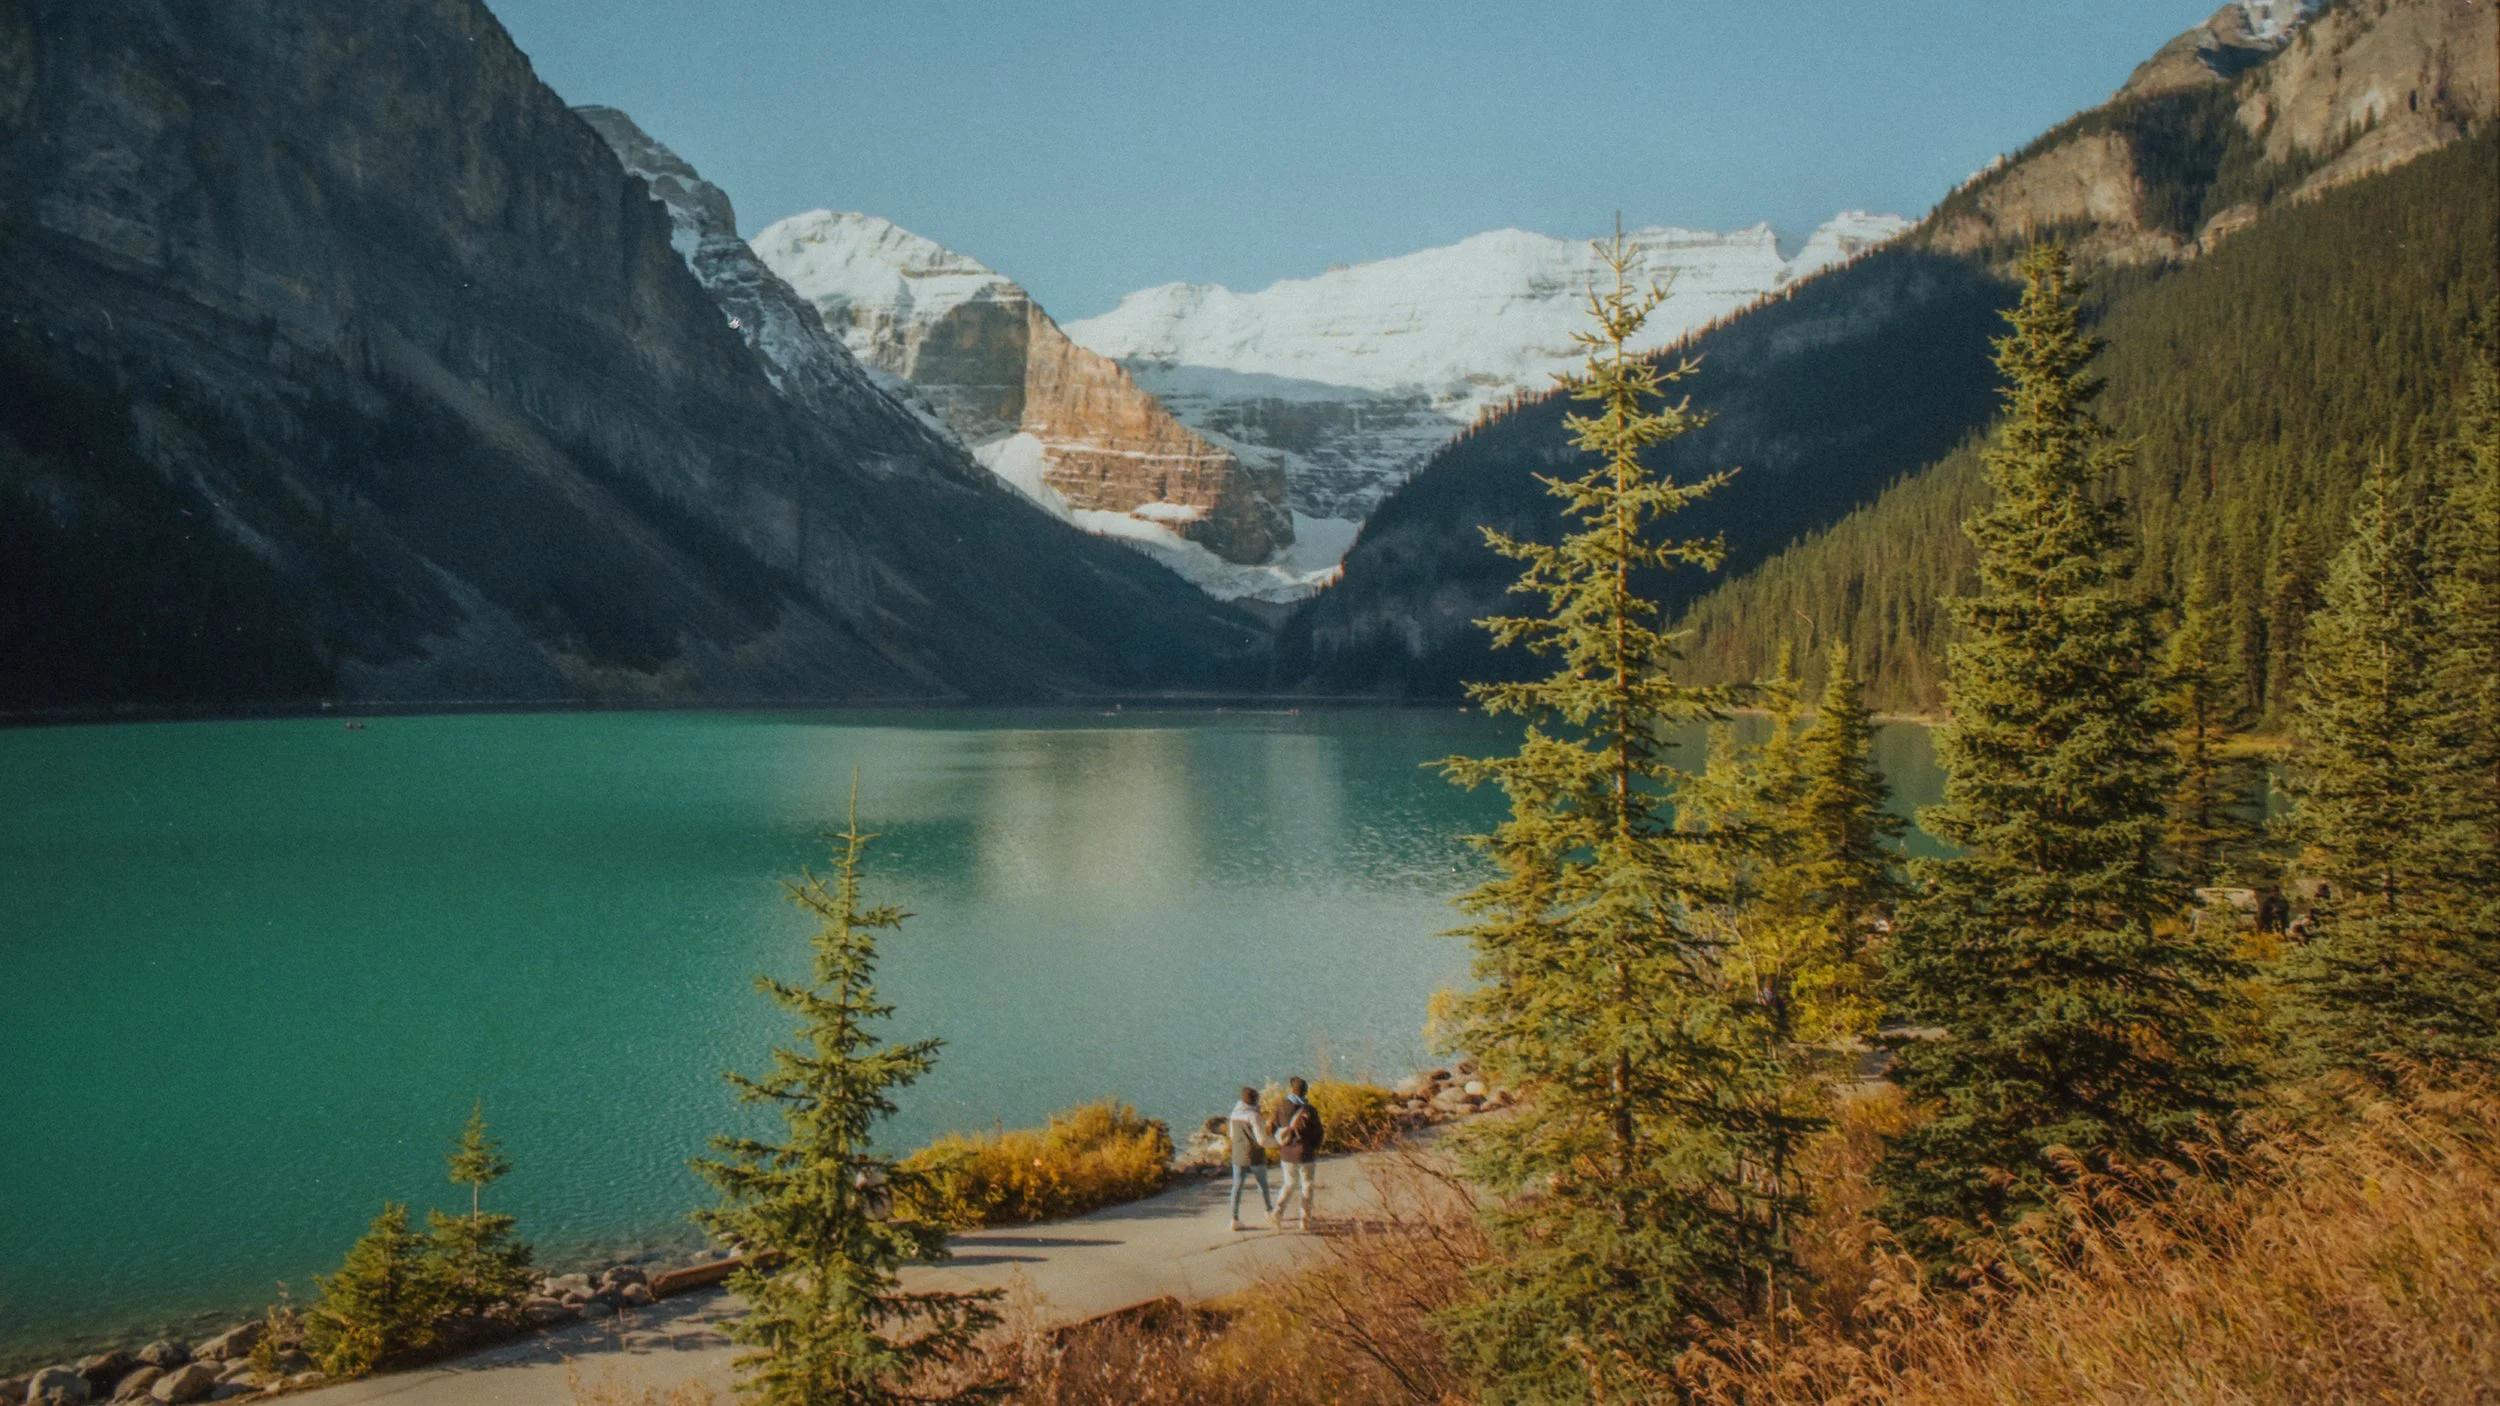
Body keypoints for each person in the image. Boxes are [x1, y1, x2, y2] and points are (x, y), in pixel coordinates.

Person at [1272, 1076, 1324, 1229]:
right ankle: (1305, 1220)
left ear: (1291, 1090)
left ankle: (1278, 1213)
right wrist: (1314, 1147)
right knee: (1307, 1185)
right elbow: (1318, 1133)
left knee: (1288, 1184)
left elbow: (1274, 1127)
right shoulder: (1309, 1110)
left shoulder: (1281, 1107)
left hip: (1286, 1153)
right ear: (1305, 1092)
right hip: (1305, 1152)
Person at [1226, 1085, 1276, 1231]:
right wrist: (1277, 1142)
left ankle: (1234, 1218)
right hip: (1255, 1155)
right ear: (1255, 1100)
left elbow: (1232, 1135)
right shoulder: (1254, 1116)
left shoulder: (1234, 1114)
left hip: (1238, 1155)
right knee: (1263, 1185)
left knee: (1237, 1186)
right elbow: (1261, 1140)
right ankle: (1269, 1211)